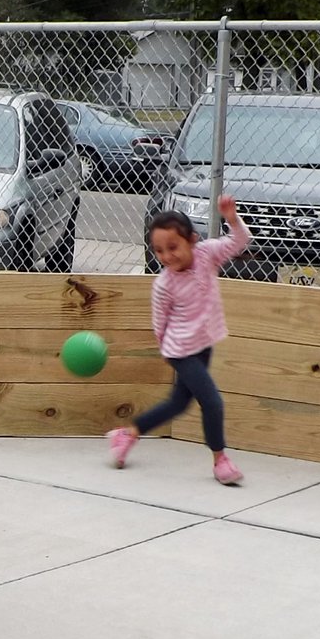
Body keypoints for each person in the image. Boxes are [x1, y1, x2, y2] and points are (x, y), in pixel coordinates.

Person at [109, 197, 252, 485]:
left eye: (173, 247)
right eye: (159, 250)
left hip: (203, 344)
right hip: (180, 350)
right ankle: (220, 460)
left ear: (192, 240)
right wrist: (167, 350)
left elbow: (241, 241)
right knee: (212, 402)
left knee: (177, 404)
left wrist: (232, 218)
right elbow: (159, 320)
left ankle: (127, 434)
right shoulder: (164, 283)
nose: (167, 256)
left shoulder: (207, 254)